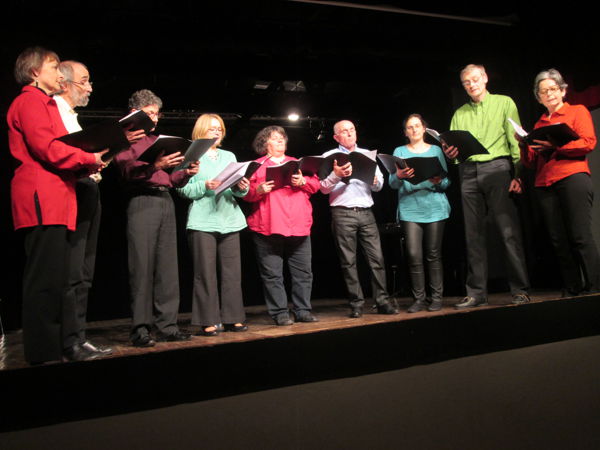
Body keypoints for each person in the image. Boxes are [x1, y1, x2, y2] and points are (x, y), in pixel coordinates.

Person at [7, 47, 106, 363]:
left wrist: (89, 163)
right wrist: (88, 158)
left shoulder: (46, 104)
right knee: (44, 282)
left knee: (58, 278)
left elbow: (61, 148)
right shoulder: (29, 101)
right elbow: (48, 148)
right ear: (35, 72)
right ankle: (43, 355)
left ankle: (55, 350)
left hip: (58, 199)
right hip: (41, 198)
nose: (58, 73)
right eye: (53, 67)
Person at [55, 61, 145, 357]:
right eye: (85, 81)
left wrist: (112, 147)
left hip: (89, 191)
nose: (90, 87)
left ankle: (79, 337)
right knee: (72, 271)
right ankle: (69, 340)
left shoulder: (72, 116)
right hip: (73, 193)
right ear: (65, 82)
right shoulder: (54, 111)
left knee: (84, 271)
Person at [113, 89, 199, 347]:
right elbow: (126, 171)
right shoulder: (125, 138)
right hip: (141, 200)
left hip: (164, 200)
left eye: (156, 114)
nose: (155, 119)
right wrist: (154, 166)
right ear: (134, 113)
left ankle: (167, 326)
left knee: (167, 267)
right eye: (149, 114)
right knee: (141, 267)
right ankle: (140, 328)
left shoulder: (156, 140)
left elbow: (169, 179)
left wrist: (186, 172)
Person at [444, 64, 530, 308]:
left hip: (498, 168)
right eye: (466, 83)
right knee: (473, 235)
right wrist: (451, 154)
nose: (471, 85)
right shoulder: (459, 113)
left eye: (474, 79)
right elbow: (454, 151)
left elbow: (516, 142)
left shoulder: (504, 102)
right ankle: (476, 292)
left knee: (507, 231)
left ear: (485, 78)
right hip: (469, 171)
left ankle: (520, 289)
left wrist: (518, 174)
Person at [518, 68, 599, 294]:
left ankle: (595, 288)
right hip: (545, 183)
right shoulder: (539, 124)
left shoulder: (577, 111)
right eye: (543, 91)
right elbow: (530, 162)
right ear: (539, 97)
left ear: (563, 91)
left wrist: (557, 146)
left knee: (580, 235)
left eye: (553, 89)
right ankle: (572, 287)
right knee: (558, 240)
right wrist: (524, 144)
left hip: (573, 176)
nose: (549, 94)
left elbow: (588, 143)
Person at [177, 114, 249, 336]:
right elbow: (182, 188)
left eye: (219, 129)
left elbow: (240, 191)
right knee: (205, 274)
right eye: (211, 129)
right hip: (202, 220)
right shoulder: (191, 155)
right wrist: (204, 185)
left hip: (230, 219)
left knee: (232, 273)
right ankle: (208, 320)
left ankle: (233, 318)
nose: (216, 132)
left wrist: (241, 186)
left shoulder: (229, 155)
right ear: (200, 132)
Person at [243, 126, 320, 326]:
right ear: (264, 143)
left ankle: (303, 310)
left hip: (298, 224)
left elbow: (315, 185)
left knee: (303, 272)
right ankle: (280, 313)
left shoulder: (297, 163)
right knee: (272, 274)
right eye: (275, 138)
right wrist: (258, 190)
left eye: (282, 139)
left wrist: (303, 181)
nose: (280, 142)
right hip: (268, 224)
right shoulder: (255, 165)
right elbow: (245, 193)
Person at [320, 120, 398, 318]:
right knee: (348, 261)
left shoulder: (366, 154)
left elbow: (379, 185)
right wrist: (336, 175)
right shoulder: (329, 156)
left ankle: (382, 301)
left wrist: (374, 181)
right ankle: (356, 304)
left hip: (366, 211)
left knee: (377, 259)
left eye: (352, 130)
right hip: (342, 212)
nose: (349, 134)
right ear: (336, 137)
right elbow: (322, 188)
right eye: (344, 132)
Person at [389, 114, 451, 312]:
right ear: (405, 132)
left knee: (433, 254)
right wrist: (398, 175)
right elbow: (392, 183)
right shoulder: (399, 151)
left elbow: (446, 181)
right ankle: (419, 298)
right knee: (414, 254)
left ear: (424, 128)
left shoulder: (435, 150)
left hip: (434, 206)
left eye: (417, 126)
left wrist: (438, 181)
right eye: (409, 127)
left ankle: (437, 297)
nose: (414, 130)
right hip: (410, 207)